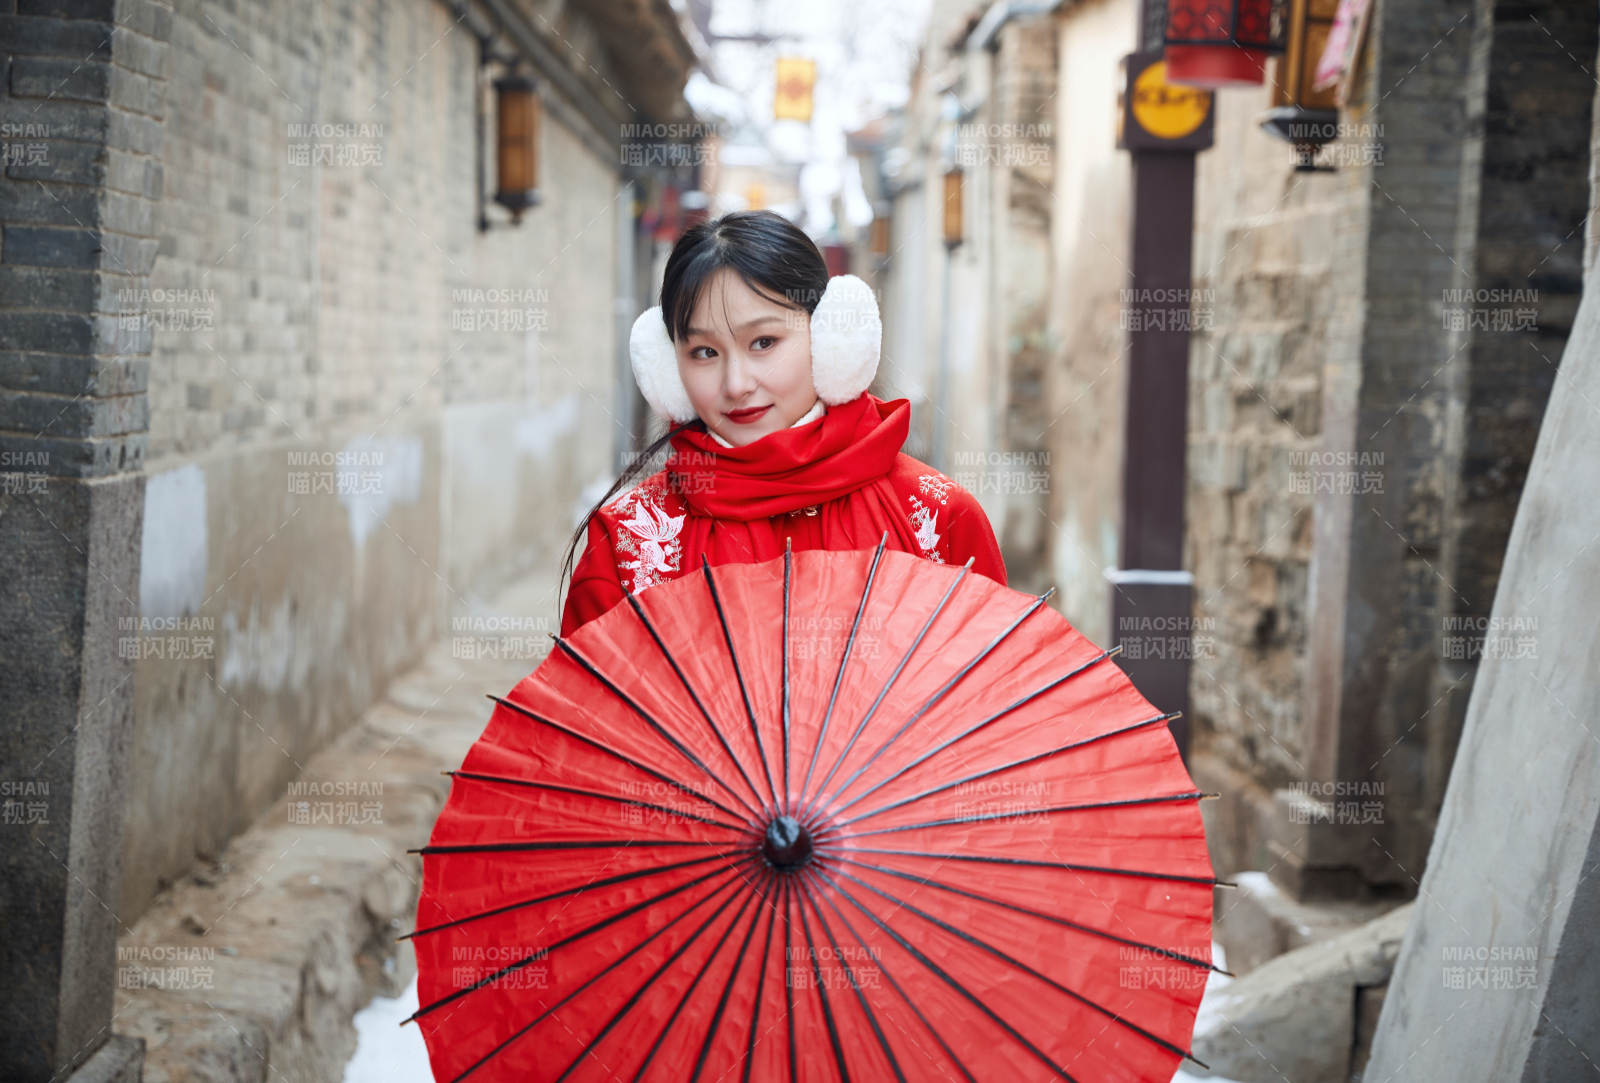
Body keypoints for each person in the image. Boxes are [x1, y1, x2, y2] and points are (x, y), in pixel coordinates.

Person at [557, 209, 1007, 637]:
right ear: (668, 369)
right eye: (704, 353)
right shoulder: (627, 542)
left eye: (764, 342)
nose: (736, 384)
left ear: (830, 336)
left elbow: (993, 700)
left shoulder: (938, 520)